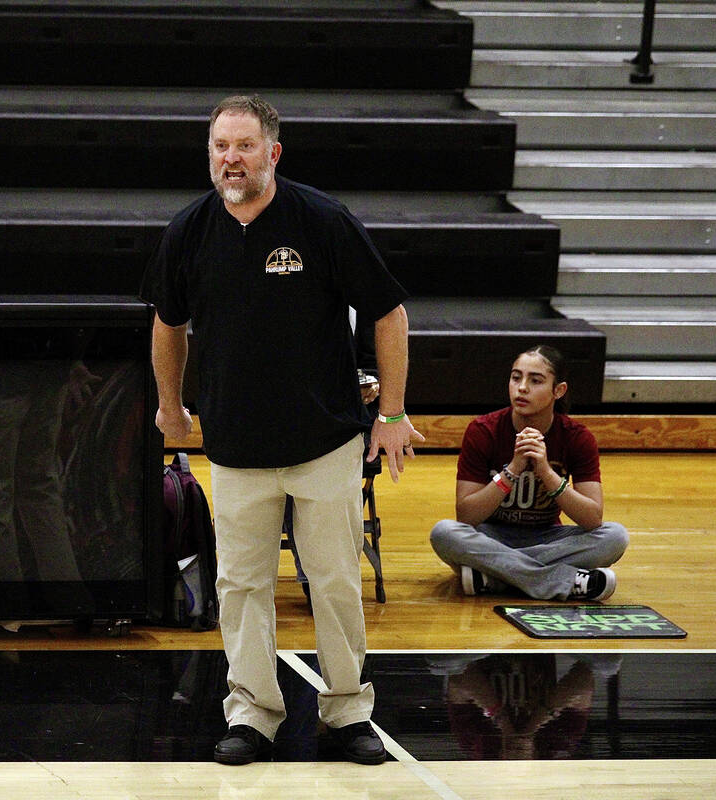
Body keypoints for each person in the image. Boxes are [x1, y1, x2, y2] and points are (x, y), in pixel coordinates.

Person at [141, 94, 424, 766]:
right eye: (219, 147)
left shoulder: (321, 220)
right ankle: (253, 715)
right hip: (236, 448)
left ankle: (349, 712)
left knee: (332, 582)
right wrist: (169, 406)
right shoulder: (189, 230)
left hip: (324, 441)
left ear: (273, 153)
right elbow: (166, 322)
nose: (229, 159)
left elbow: (388, 312)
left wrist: (391, 415)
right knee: (240, 587)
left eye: (242, 146)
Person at [429, 345, 629, 602]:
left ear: (559, 390)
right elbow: (467, 515)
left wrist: (545, 471)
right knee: (444, 533)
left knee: (614, 536)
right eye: (516, 377)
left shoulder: (577, 437)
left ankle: (495, 577)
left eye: (535, 380)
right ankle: (563, 581)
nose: (522, 387)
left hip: (548, 538)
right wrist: (512, 469)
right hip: (491, 536)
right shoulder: (483, 430)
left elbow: (592, 518)